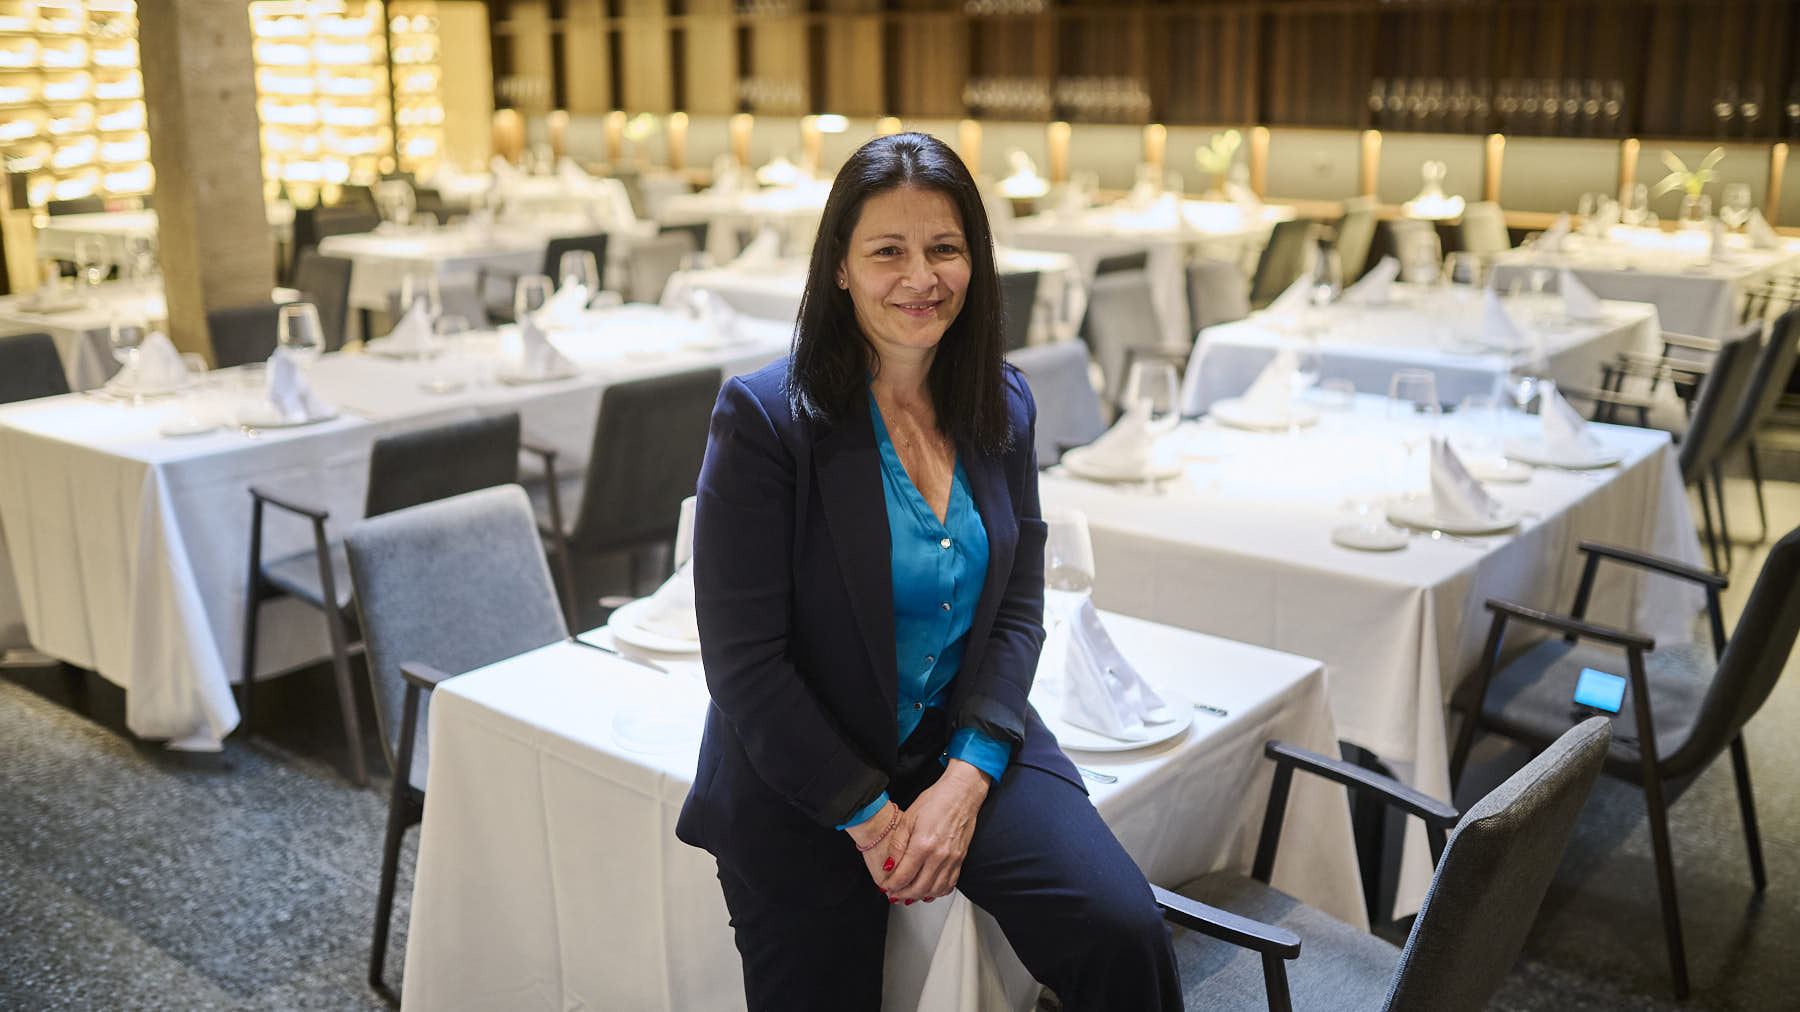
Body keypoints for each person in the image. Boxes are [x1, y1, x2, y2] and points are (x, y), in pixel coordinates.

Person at [676, 132, 1180, 1010]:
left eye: (945, 248)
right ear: (840, 266)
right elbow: (746, 663)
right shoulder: (765, 421)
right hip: (805, 771)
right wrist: (870, 817)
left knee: (1122, 932)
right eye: (888, 251)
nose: (922, 277)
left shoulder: (1002, 402)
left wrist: (968, 776)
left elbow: (1018, 604)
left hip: (960, 734)